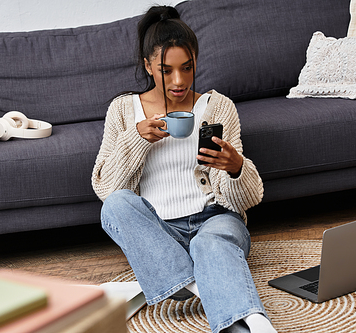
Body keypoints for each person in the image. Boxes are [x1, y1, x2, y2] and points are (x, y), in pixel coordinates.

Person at [92, 5, 276, 333]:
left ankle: (256, 324)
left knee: (211, 243)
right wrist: (136, 139)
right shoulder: (123, 110)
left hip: (216, 221)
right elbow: (107, 188)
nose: (179, 81)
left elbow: (247, 200)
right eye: (167, 70)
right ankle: (204, 285)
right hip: (162, 234)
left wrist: (235, 168)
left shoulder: (218, 107)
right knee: (115, 207)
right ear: (148, 65)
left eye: (187, 68)